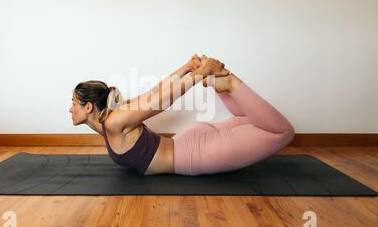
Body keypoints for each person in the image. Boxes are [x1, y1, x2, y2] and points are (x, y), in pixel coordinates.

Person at [69, 54, 295, 176]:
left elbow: (160, 101)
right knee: (254, 121)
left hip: (196, 154)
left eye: (74, 103)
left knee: (283, 132)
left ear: (89, 107)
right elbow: (155, 92)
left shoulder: (114, 121)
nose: (70, 108)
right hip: (189, 143)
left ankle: (231, 84)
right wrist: (187, 67)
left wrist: (199, 72)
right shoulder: (114, 119)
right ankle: (224, 86)